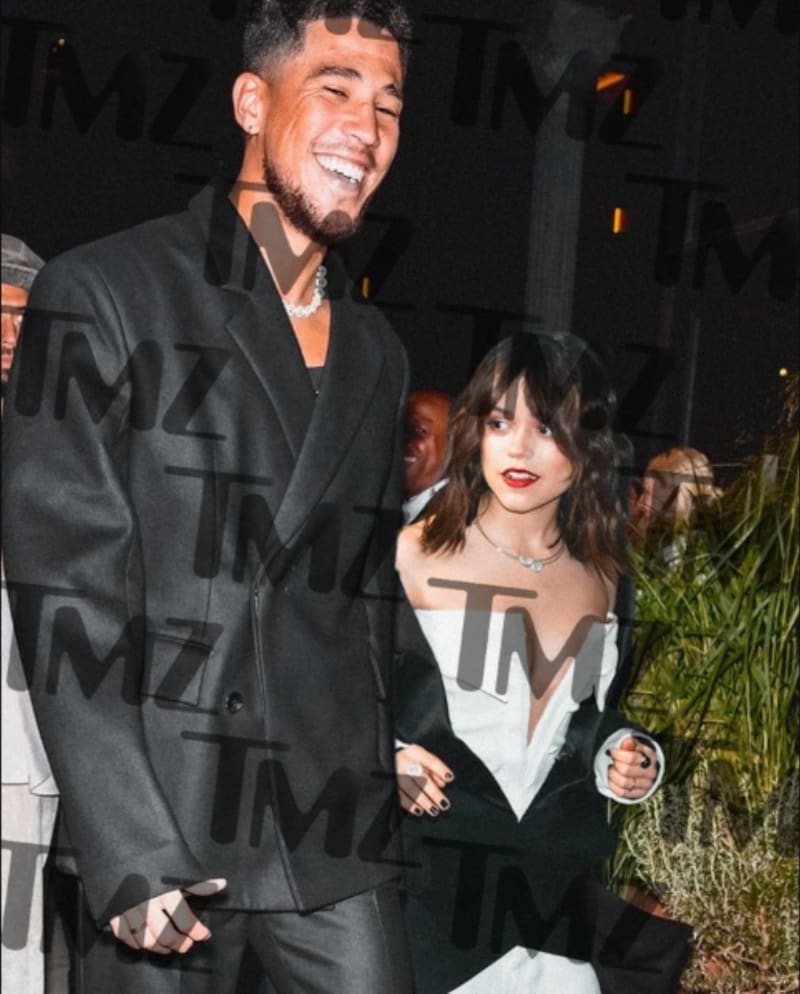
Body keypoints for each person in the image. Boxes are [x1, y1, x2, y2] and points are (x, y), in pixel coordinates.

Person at [2, 2, 416, 992]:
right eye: (335, 89)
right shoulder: (104, 292)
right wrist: (126, 841)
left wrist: (403, 740)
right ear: (249, 101)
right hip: (170, 819)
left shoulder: (377, 350)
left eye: (388, 107)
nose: (366, 128)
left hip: (331, 836)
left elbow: (365, 594)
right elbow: (68, 592)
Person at [393, 333, 692, 993]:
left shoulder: (607, 575)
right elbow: (329, 695)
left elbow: (583, 719)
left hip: (551, 904)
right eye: (500, 423)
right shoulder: (413, 554)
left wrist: (623, 753)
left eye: (546, 428)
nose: (518, 449)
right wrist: (386, 756)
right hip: (429, 898)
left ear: (589, 445)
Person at [1, 234, 62, 993]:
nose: (10, 332)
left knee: (11, 946)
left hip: (18, 740)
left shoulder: (60, 432)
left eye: (24, 315)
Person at [403, 389, 452, 523]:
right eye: (401, 428)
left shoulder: (454, 521)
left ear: (454, 446)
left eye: (419, 430)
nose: (402, 438)